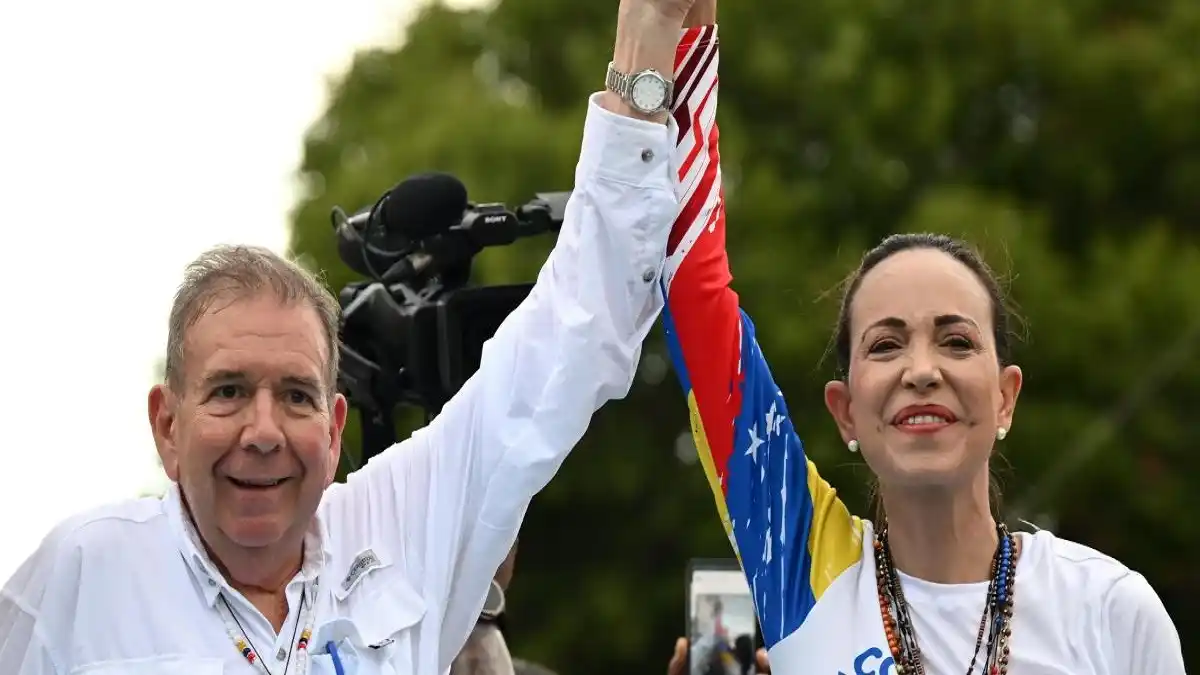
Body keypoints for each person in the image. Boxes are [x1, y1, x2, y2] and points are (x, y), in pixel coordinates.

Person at [0, 0, 696, 671]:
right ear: (167, 424)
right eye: (229, 391)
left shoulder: (396, 529)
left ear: (335, 429)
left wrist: (649, 29)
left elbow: (573, 333)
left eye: (297, 395)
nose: (264, 429)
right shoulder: (82, 575)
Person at [658, 1, 1186, 673]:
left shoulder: (1110, 609)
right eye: (884, 344)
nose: (922, 369)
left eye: (957, 341)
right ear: (845, 409)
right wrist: (674, 32)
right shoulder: (799, 563)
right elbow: (693, 296)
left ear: (1005, 397)